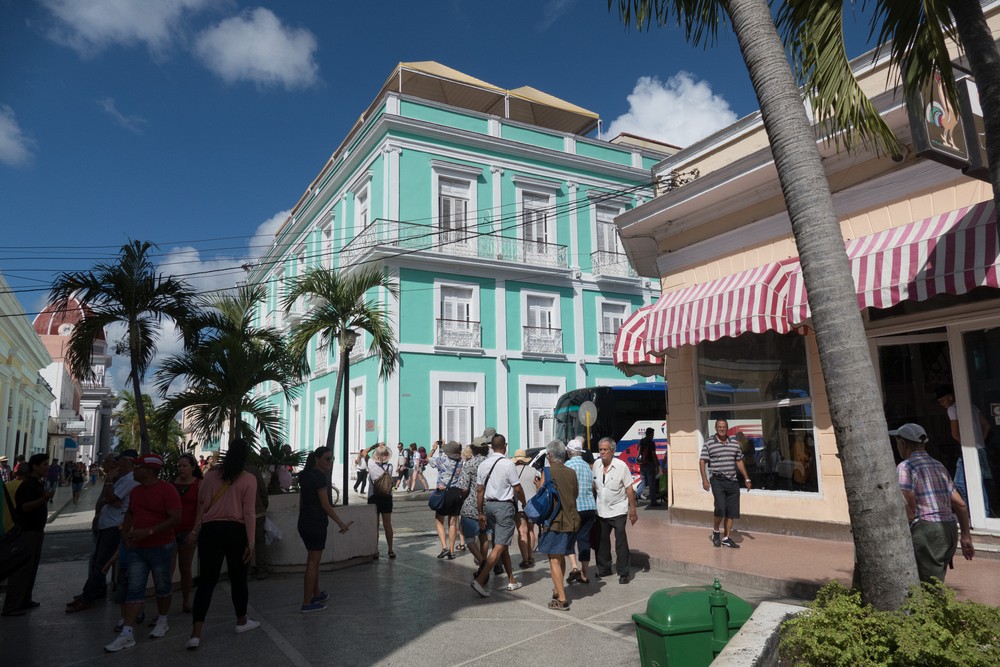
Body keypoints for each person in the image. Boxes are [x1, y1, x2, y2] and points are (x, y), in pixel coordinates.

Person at [186, 439, 259, 650]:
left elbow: (202, 503)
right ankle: (241, 621)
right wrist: (251, 542)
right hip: (235, 532)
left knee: (207, 582)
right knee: (238, 579)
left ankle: (196, 634)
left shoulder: (210, 476)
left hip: (210, 531)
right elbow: (249, 513)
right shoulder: (249, 479)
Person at [103, 454, 181, 653]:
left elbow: (175, 518)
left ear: (148, 470)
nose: (133, 470)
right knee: (134, 588)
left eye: (137, 467)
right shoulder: (137, 491)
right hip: (137, 547)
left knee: (162, 585)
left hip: (161, 546)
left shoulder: (167, 490)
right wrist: (126, 534)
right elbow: (130, 514)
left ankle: (162, 620)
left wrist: (149, 531)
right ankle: (127, 633)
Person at [891, 423, 975, 582]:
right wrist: (965, 536)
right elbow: (960, 504)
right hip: (949, 529)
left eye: (897, 443)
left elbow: (909, 511)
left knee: (930, 589)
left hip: (927, 532)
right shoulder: (938, 465)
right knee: (936, 581)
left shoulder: (905, 467)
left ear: (904, 444)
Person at [66, 450, 140, 613]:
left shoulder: (129, 480)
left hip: (114, 526)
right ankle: (92, 592)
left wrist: (109, 482)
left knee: (101, 562)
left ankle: (88, 597)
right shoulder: (122, 479)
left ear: (128, 462)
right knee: (97, 561)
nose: (116, 464)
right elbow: (108, 499)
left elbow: (112, 498)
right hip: (106, 524)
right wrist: (109, 496)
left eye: (119, 460)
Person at [297, 447, 353, 613]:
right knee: (313, 562)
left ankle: (315, 593)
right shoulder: (319, 477)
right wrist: (340, 523)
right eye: (327, 459)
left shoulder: (305, 475)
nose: (330, 462)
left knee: (313, 560)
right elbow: (325, 504)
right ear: (317, 459)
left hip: (305, 522)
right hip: (315, 523)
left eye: (332, 459)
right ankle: (307, 603)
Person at [471, 434, 526, 597]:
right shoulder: (508, 464)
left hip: (488, 506)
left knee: (501, 544)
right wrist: (525, 502)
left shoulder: (483, 465)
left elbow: (479, 490)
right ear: (505, 446)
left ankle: (511, 580)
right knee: (500, 545)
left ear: (491, 446)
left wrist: (480, 512)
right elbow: (517, 489)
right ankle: (480, 580)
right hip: (504, 507)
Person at [1, 454, 54, 617]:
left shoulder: (37, 483)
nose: (47, 467)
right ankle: (12, 605)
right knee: (22, 570)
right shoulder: (28, 485)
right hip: (27, 531)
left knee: (31, 568)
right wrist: (44, 499)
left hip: (36, 530)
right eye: (44, 464)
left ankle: (25, 599)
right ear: (35, 467)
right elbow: (24, 507)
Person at [537, 440, 580, 611]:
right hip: (572, 520)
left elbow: (541, 496)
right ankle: (557, 589)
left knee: (554, 559)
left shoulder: (547, 472)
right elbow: (574, 494)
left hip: (554, 522)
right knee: (560, 557)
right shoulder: (571, 473)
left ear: (550, 455)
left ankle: (562, 599)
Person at [936, 384, 992, 513]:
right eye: (939, 401)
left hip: (969, 450)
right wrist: (979, 441)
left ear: (950, 397)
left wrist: (967, 444)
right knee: (980, 482)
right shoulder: (972, 407)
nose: (941, 403)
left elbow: (955, 434)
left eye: (943, 400)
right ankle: (983, 513)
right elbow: (987, 426)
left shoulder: (952, 409)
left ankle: (973, 514)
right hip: (980, 449)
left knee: (961, 483)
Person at [699, 418, 751, 549]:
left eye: (724, 427)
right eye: (719, 426)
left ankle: (726, 538)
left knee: (731, 512)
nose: (722, 429)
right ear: (716, 428)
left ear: (727, 428)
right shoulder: (709, 442)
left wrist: (746, 478)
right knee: (721, 508)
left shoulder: (734, 443)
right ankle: (716, 531)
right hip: (717, 480)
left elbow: (739, 461)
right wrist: (704, 479)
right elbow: (702, 461)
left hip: (732, 481)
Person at [593, 437, 638, 584]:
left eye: (605, 450)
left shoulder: (621, 466)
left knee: (621, 542)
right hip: (601, 510)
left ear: (612, 451)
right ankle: (604, 568)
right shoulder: (597, 465)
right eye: (600, 450)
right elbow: (595, 486)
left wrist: (633, 510)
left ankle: (624, 572)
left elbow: (629, 488)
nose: (602, 452)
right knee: (602, 541)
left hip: (618, 509)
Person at [172, 453, 202, 612]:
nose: (181, 468)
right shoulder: (172, 484)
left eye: (184, 466)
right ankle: (165, 603)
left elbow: (200, 509)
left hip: (188, 531)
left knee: (185, 567)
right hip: (171, 531)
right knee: (168, 568)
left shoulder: (199, 484)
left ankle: (186, 599)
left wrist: (194, 530)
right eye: (179, 466)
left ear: (193, 467)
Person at [565, 439, 596, 584]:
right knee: (584, 539)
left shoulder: (568, 465)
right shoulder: (587, 466)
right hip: (589, 507)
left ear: (569, 452)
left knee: (569, 538)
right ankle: (585, 574)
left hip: (575, 508)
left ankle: (574, 567)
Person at [457, 441, 492, 567]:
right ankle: (483, 559)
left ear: (474, 449)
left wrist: (462, 498)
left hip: (471, 505)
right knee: (484, 536)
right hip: (488, 505)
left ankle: (482, 562)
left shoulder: (470, 464)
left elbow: (464, 487)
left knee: (469, 539)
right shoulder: (492, 463)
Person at [430, 440, 463, 559]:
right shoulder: (461, 461)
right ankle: (452, 550)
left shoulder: (442, 460)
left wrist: (434, 448)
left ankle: (444, 547)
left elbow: (429, 459)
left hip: (443, 492)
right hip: (455, 492)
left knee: (439, 520)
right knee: (453, 523)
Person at [512, 448, 540, 568]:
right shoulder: (533, 470)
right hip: (532, 505)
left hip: (519, 505)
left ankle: (525, 559)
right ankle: (531, 556)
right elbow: (539, 482)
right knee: (530, 530)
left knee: (521, 531)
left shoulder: (512, 471)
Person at [367, 444, 395, 558]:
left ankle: (375, 550)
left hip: (374, 497)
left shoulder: (371, 465)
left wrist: (374, 446)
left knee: (375, 525)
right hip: (387, 497)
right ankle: (390, 550)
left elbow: (364, 452)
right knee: (387, 524)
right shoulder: (390, 467)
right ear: (386, 456)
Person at [637, 427, 660, 507]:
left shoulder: (641, 441)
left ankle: (635, 496)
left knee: (643, 482)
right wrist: (657, 465)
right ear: (650, 434)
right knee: (652, 484)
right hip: (650, 464)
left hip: (642, 464)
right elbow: (653, 455)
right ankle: (653, 502)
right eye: (653, 434)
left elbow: (639, 451)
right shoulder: (651, 443)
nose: (653, 435)